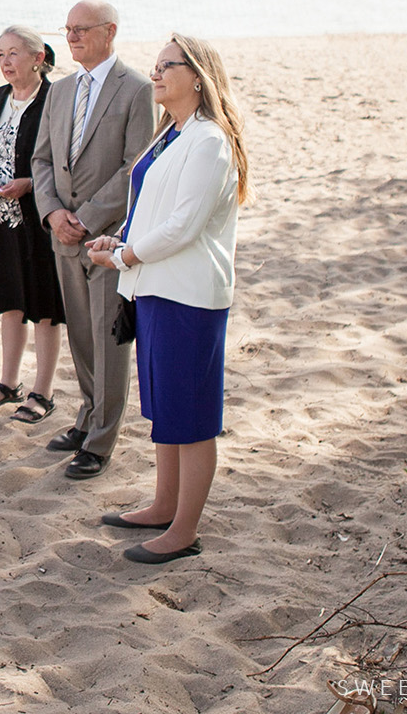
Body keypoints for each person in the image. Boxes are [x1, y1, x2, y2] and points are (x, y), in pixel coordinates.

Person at [86, 33, 249, 565]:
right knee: (164, 410)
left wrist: (128, 257)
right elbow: (152, 210)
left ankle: (184, 531)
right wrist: (121, 240)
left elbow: (183, 226)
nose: (154, 74)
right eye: (154, 66)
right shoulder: (172, 135)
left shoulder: (209, 141)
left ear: (197, 76)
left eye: (166, 66)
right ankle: (162, 506)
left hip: (189, 295)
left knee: (191, 417)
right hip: (155, 288)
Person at [30, 0, 155, 480]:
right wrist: (53, 213)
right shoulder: (59, 90)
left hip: (108, 239)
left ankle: (102, 439)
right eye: (67, 29)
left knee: (108, 341)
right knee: (81, 336)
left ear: (110, 32)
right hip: (62, 235)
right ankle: (86, 418)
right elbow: (41, 161)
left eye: (82, 29)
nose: (72, 37)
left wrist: (85, 217)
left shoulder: (137, 89)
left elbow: (135, 166)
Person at [0, 26, 64, 424]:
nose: (6, 62)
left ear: (38, 58)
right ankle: (8, 382)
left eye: (14, 54)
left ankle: (43, 391)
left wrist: (31, 184)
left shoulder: (56, 100)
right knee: (10, 302)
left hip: (39, 221)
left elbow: (65, 161)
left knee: (45, 309)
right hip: (1, 219)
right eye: (1, 54)